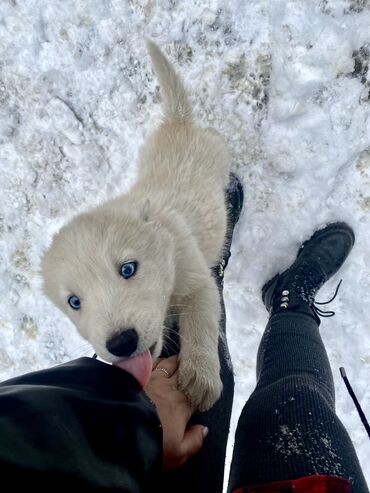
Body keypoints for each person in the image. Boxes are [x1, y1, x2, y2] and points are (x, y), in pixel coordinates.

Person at [0, 175, 368, 493]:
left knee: (179, 346)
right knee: (297, 397)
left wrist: (127, 429)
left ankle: (207, 268)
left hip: (112, 467)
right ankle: (292, 301)